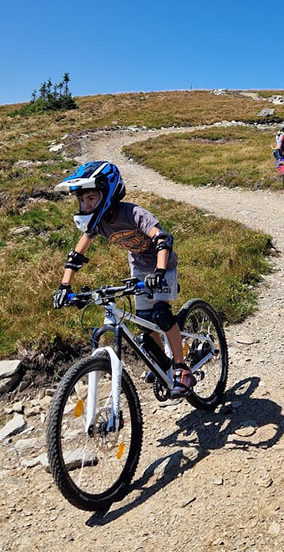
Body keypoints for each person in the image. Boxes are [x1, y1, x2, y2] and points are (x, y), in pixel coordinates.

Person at [52, 161, 193, 397]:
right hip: (139, 270)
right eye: (82, 200)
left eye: (91, 199)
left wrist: (158, 273)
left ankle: (181, 368)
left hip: (163, 266)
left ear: (107, 193)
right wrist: (64, 286)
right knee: (144, 324)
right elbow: (76, 256)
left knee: (162, 315)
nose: (85, 206)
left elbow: (163, 239)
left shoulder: (133, 213)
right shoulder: (97, 224)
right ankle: (163, 366)